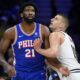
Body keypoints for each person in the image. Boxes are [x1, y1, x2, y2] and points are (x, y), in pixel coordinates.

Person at [0, 2, 50, 80]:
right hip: (18, 74)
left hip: (38, 73)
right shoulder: (11, 32)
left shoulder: (44, 30)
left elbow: (49, 54)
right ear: (21, 14)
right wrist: (6, 65)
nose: (30, 13)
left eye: (33, 11)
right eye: (27, 10)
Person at [33, 14, 80, 80]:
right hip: (75, 71)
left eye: (56, 19)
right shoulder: (68, 37)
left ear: (61, 25)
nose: (51, 19)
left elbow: (53, 53)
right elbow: (54, 59)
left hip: (70, 73)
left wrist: (38, 49)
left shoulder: (55, 34)